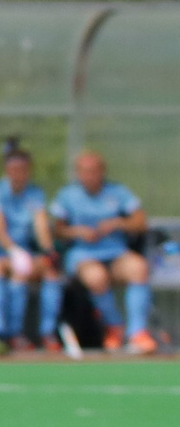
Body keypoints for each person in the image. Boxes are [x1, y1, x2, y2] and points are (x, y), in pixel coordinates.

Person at [51, 149, 155, 354]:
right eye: (84, 171)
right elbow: (57, 230)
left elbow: (141, 222)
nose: (89, 176)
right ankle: (114, 326)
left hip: (115, 252)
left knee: (139, 268)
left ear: (102, 171)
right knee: (96, 276)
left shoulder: (118, 192)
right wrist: (76, 231)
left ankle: (138, 333)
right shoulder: (68, 195)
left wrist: (118, 223)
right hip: (83, 255)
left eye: (93, 171)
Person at [0, 140, 58, 354]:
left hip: (26, 254)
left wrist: (49, 251)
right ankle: (8, 332)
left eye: (22, 169)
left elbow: (41, 225)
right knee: (18, 272)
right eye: (13, 169)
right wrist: (14, 251)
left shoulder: (35, 193)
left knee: (51, 272)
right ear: (6, 170)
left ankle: (48, 332)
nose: (18, 174)